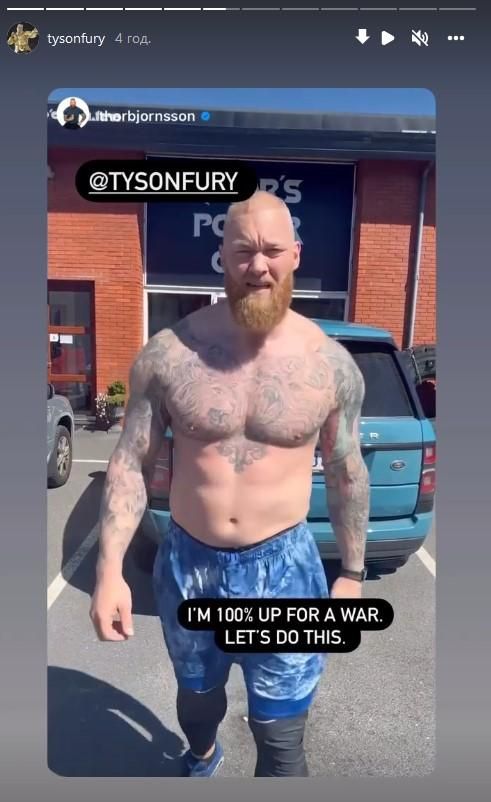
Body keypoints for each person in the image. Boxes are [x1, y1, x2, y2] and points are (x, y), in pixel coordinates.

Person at [90, 190, 369, 777]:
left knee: (282, 738)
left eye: (272, 250)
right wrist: (109, 569)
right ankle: (202, 752)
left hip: (286, 572)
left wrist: (352, 573)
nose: (258, 266)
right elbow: (130, 461)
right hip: (189, 565)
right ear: (223, 255)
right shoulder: (169, 354)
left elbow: (347, 470)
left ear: (296, 254)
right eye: (243, 251)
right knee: (198, 704)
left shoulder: (331, 366)